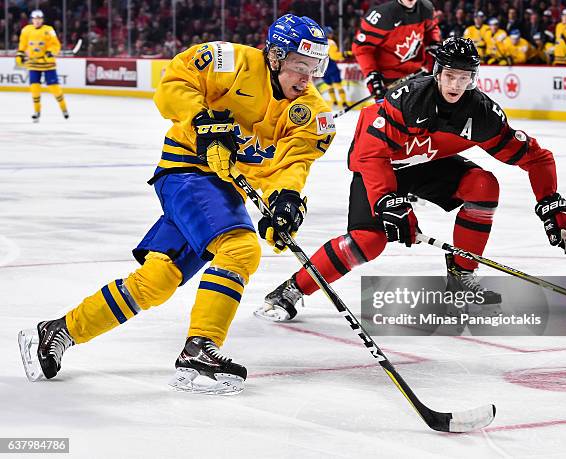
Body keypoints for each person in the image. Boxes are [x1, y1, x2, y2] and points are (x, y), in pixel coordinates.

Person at [18, 14, 335, 395]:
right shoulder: (227, 61)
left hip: (222, 188)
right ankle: (199, 348)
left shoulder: (313, 112)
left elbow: (293, 163)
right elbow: (173, 84)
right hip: (185, 171)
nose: (308, 78)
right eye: (300, 66)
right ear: (274, 55)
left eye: (316, 68)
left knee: (157, 280)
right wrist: (201, 118)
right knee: (239, 248)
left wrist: (284, 203)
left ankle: (58, 332)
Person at [256, 37, 566, 323]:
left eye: (464, 78)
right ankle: (291, 289)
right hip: (380, 163)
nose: (456, 85)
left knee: (483, 185)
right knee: (367, 242)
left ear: (474, 78)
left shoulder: (482, 114)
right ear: (438, 72)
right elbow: (369, 153)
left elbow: (536, 158)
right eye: (450, 76)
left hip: (426, 163)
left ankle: (461, 281)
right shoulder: (409, 99)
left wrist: (552, 205)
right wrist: (387, 200)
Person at [352, 0, 441, 100]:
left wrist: (433, 45)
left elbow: (431, 29)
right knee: (390, 114)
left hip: (418, 74)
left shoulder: (426, 7)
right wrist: (372, 74)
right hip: (389, 80)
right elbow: (363, 48)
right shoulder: (381, 15)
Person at [16, 9, 69, 122]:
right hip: (34, 64)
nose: (37, 21)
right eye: (35, 19)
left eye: (39, 19)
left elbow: (56, 45)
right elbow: (23, 45)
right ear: (32, 20)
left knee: (54, 88)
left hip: (48, 64)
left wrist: (50, 52)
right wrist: (20, 54)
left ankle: (63, 108)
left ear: (42, 20)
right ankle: (37, 111)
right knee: (34, 88)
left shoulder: (49, 30)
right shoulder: (26, 30)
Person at [322, 26, 351, 109]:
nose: (332, 35)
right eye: (331, 33)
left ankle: (334, 102)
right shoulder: (330, 42)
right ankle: (343, 103)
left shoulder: (319, 42)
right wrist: (345, 54)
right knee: (338, 85)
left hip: (323, 68)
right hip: (331, 66)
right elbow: (334, 56)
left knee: (329, 85)